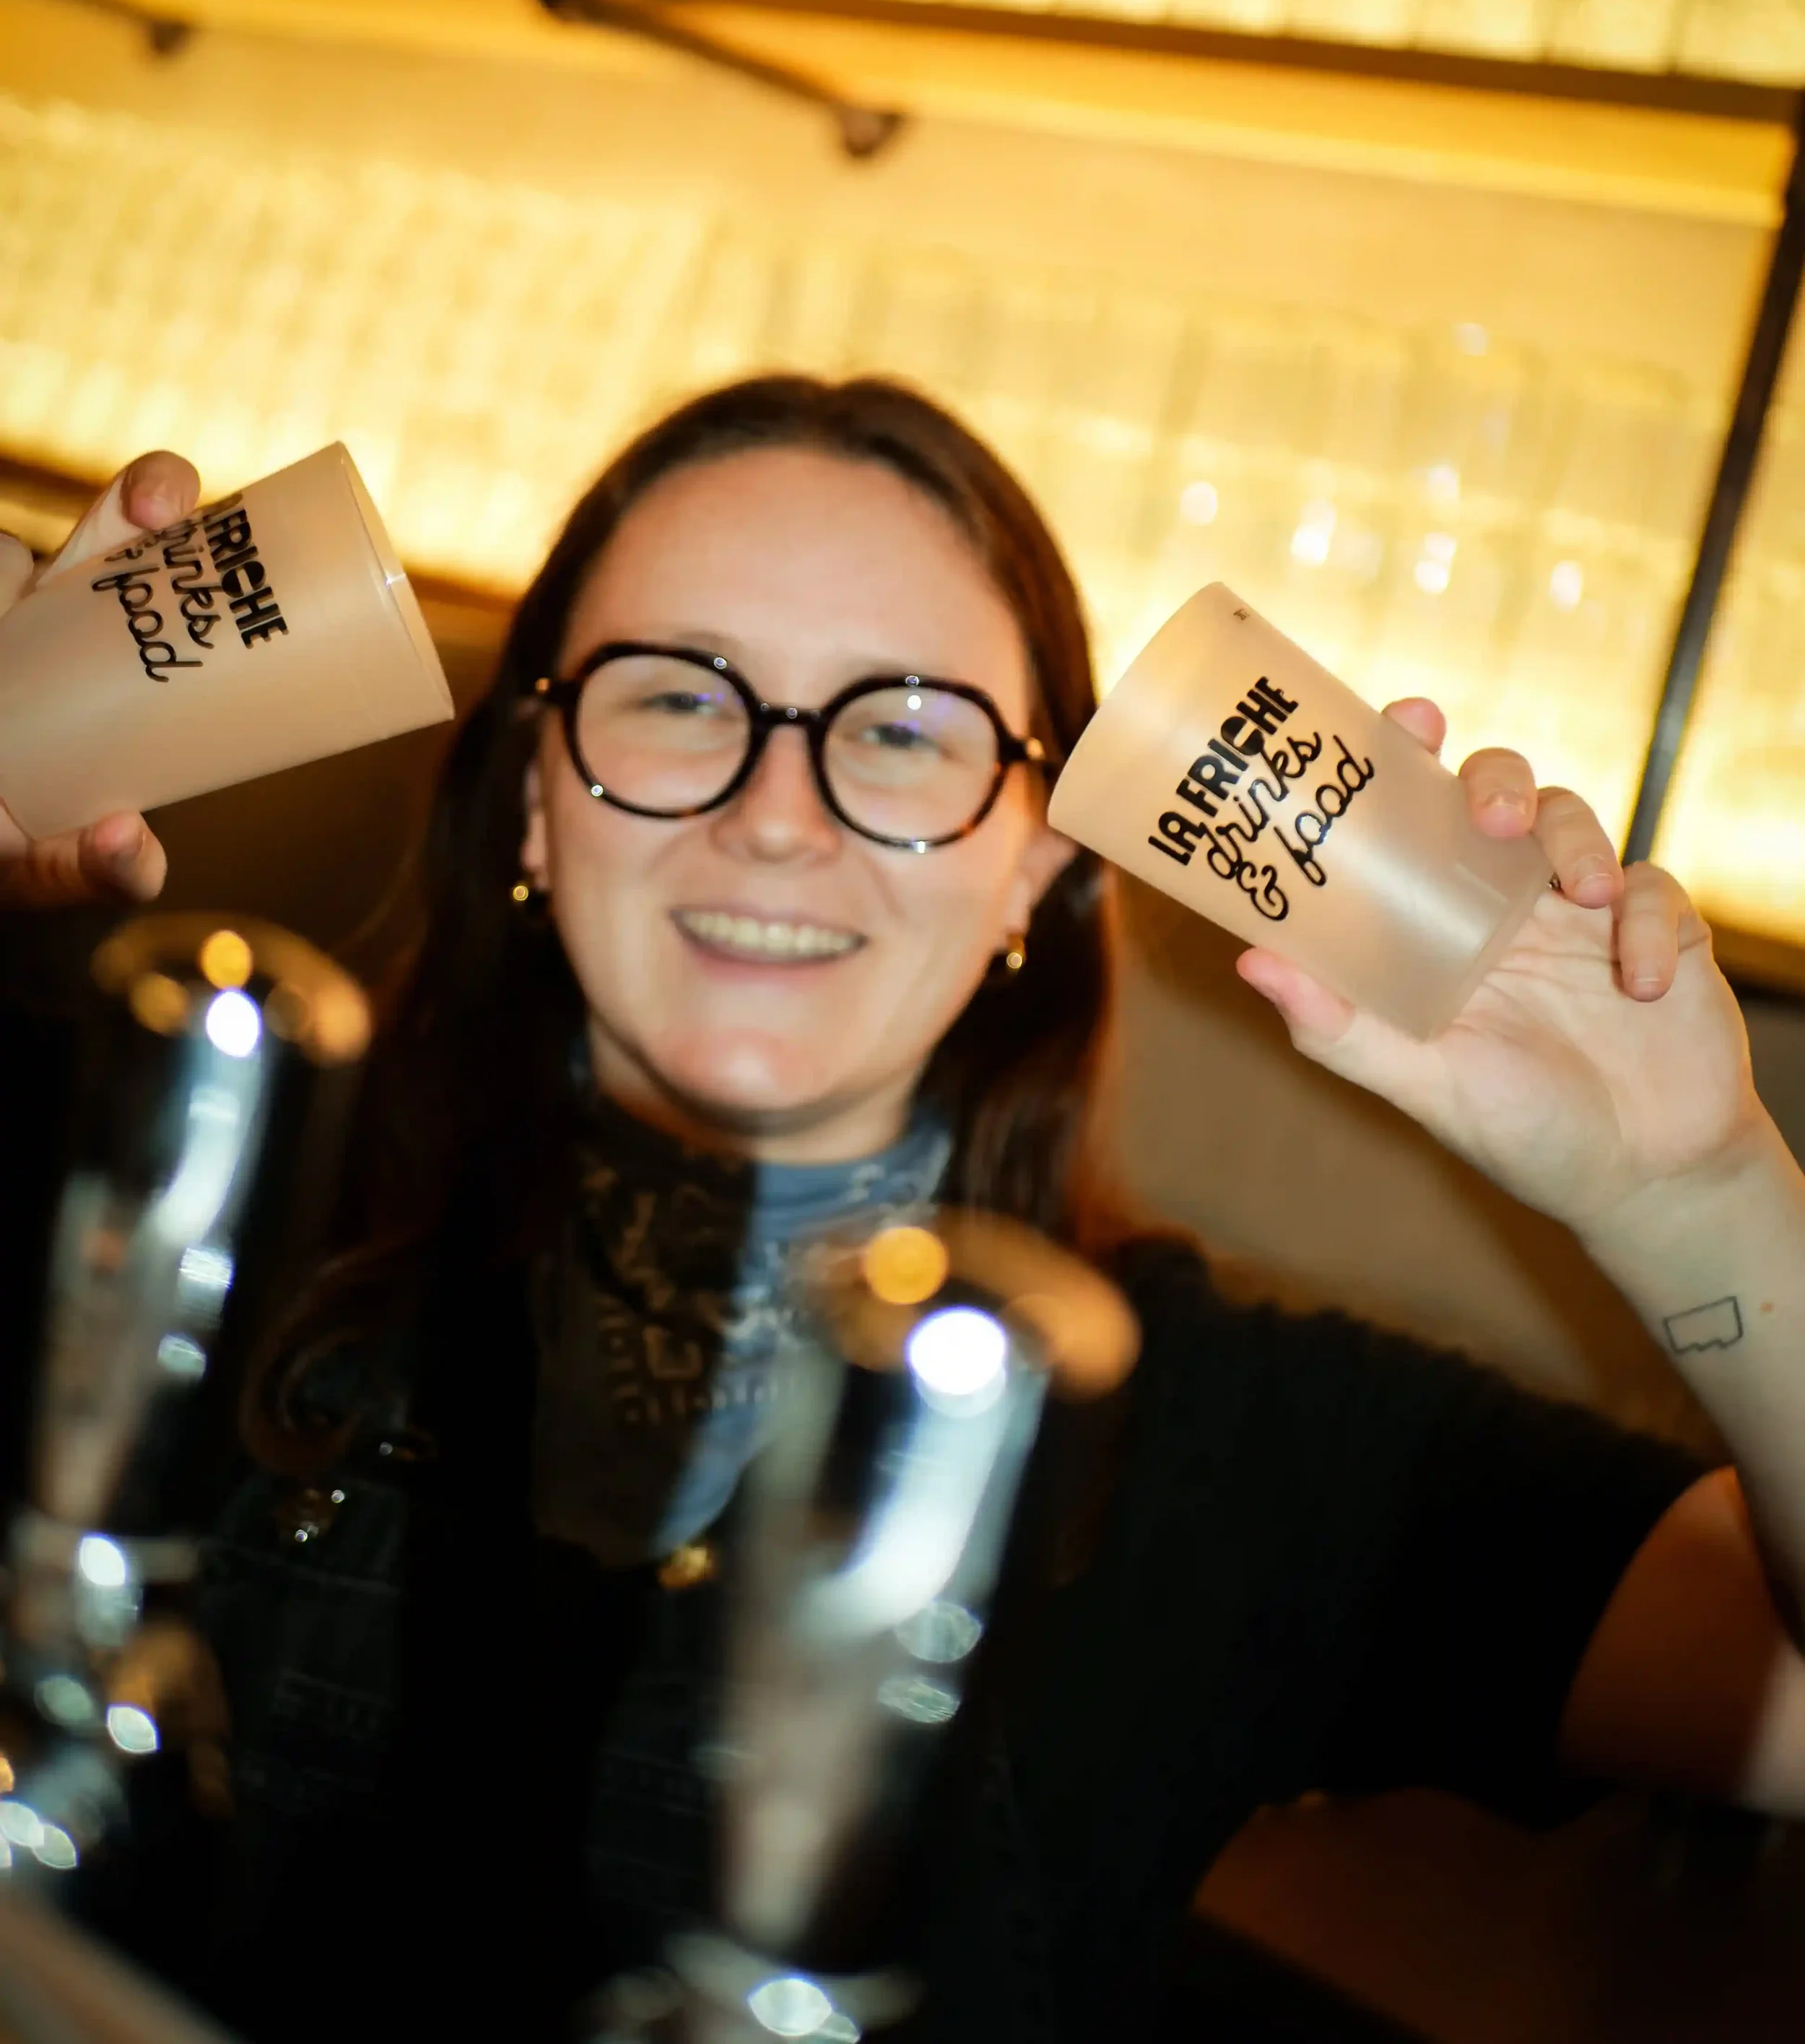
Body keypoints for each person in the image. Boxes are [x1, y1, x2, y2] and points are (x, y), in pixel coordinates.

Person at [10, 380, 1805, 2044]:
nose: (777, 816)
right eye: (678, 696)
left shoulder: (1243, 1435)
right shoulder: (173, 1215)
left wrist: (1695, 1191)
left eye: (902, 728)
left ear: (1036, 861)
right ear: (534, 803)